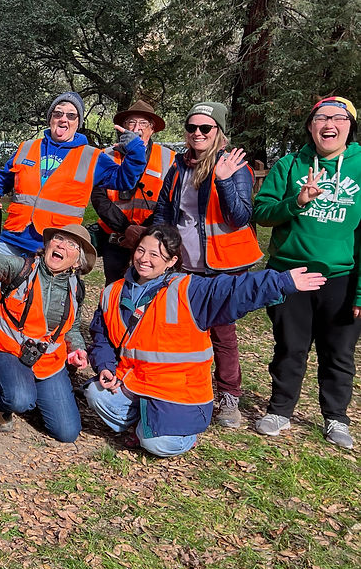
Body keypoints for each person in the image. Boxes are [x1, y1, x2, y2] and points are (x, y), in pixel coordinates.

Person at [85, 225, 325, 457]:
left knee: (156, 443)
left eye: (155, 255)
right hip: (134, 382)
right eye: (140, 250)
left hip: (178, 391)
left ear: (171, 261)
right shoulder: (113, 291)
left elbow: (233, 289)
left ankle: (174, 434)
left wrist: (281, 282)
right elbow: (101, 335)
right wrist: (105, 366)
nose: (144, 259)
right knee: (95, 393)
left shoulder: (189, 290)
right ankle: (145, 422)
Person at [0, 91, 146, 322]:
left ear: (78, 122)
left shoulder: (91, 157)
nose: (63, 119)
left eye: (71, 115)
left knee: (38, 303)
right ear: (50, 118)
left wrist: (136, 150)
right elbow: (2, 180)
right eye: (58, 113)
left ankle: (27, 340)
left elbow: (124, 180)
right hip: (13, 238)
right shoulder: (27, 147)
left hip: (53, 245)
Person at [253, 97, 361, 450]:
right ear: (311, 126)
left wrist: (360, 292)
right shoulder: (289, 164)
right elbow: (262, 213)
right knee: (290, 346)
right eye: (320, 118)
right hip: (290, 273)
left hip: (342, 277)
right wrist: (297, 202)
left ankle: (336, 418)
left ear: (350, 126)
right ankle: (279, 410)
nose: (329, 124)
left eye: (338, 118)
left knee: (339, 352)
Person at [153, 101, 261, 429]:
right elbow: (164, 210)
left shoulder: (234, 165)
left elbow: (240, 216)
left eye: (205, 128)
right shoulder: (179, 166)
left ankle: (229, 397)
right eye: (192, 127)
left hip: (223, 264)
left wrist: (224, 181)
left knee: (222, 332)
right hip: (185, 263)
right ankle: (185, 384)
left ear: (219, 132)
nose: (197, 133)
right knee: (184, 327)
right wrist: (157, 246)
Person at [0, 223, 93, 443]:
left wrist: (77, 348)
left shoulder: (76, 288)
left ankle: (28, 390)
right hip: (5, 346)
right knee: (20, 399)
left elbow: (72, 327)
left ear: (77, 262)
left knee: (67, 433)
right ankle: (3, 410)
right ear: (47, 245)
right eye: (58, 238)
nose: (61, 245)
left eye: (71, 244)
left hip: (47, 360)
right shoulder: (23, 268)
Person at [90, 100, 174, 284]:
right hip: (115, 237)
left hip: (153, 237)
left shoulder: (169, 158)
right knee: (115, 286)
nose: (137, 128)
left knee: (150, 286)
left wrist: (146, 232)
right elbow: (98, 198)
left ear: (152, 129)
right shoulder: (105, 155)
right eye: (131, 123)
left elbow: (170, 200)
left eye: (143, 123)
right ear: (124, 126)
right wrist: (125, 228)